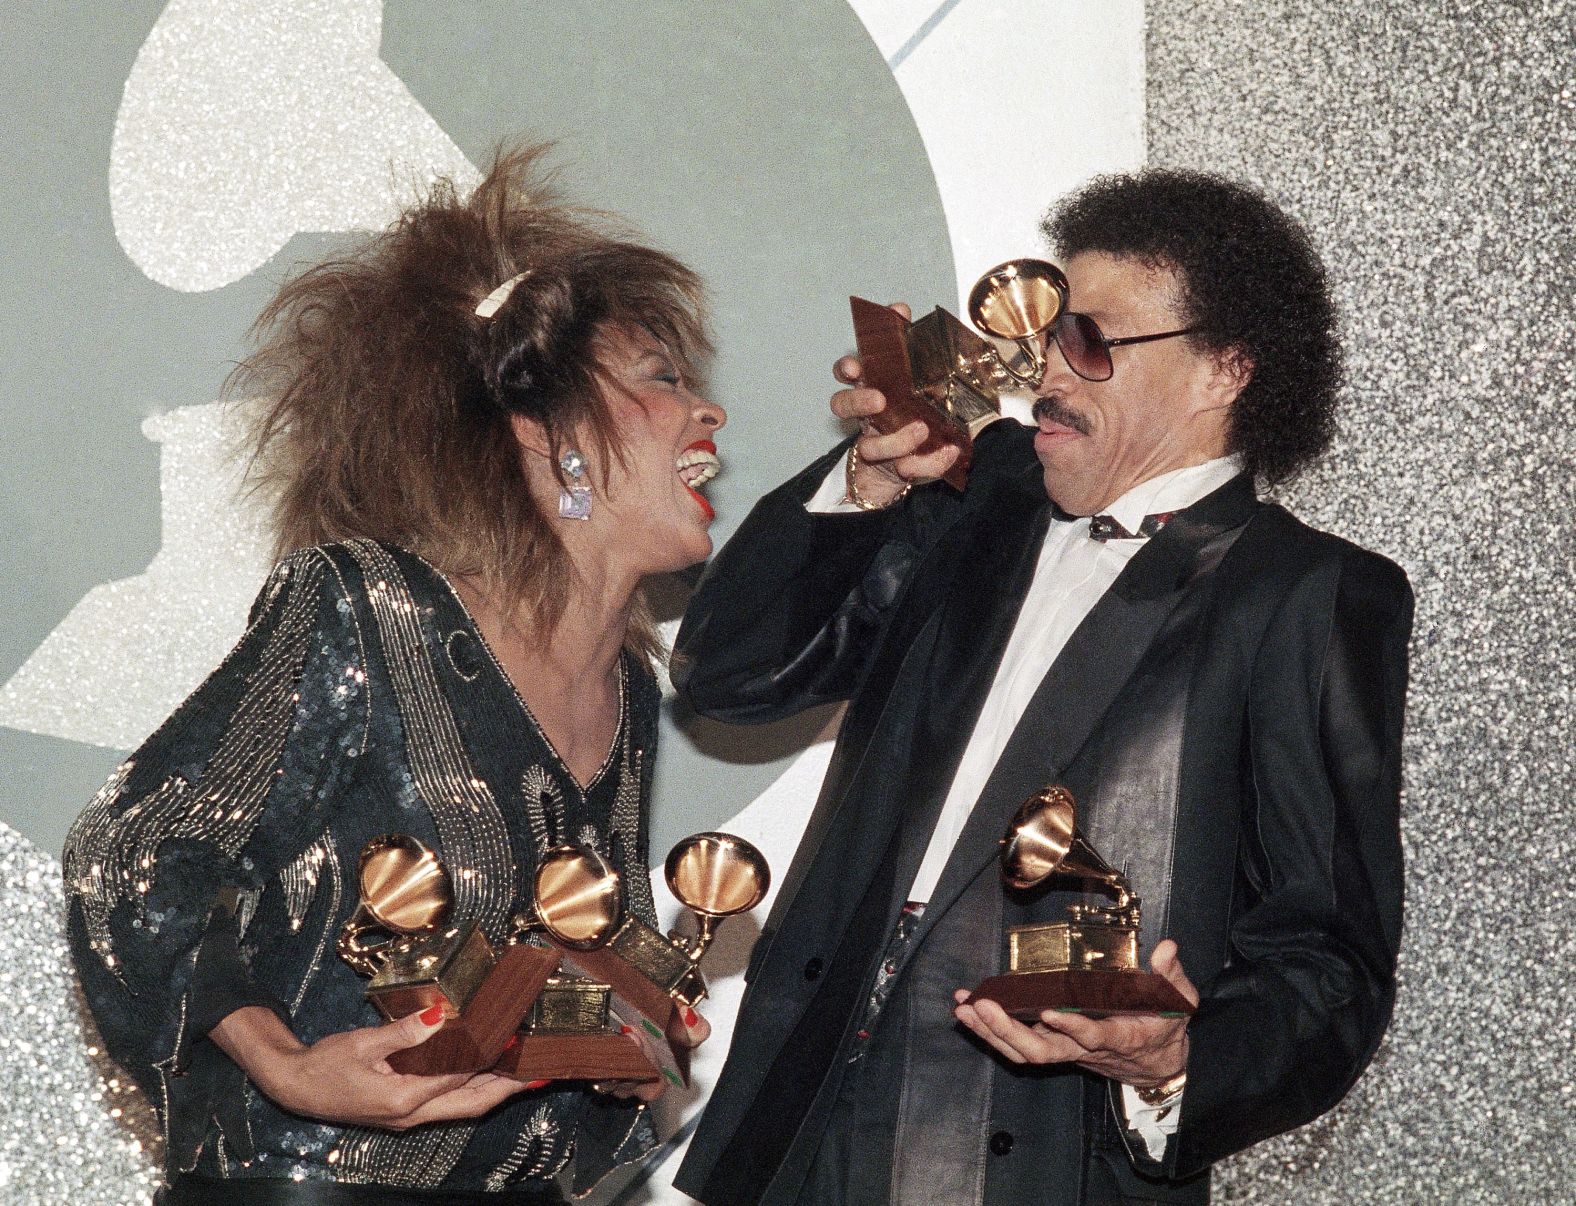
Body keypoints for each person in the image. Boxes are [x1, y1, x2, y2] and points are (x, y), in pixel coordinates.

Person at [670, 169, 1411, 1205]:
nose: (1049, 374)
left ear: (1221, 372)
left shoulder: (1305, 593)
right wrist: (867, 481)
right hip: (794, 1129)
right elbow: (732, 675)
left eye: (1093, 342)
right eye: (1051, 334)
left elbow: (1327, 959)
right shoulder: (978, 492)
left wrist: (1171, 1060)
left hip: (1043, 1158)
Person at [63, 144, 722, 1203]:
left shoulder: (630, 690)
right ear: (550, 436)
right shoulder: (366, 609)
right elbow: (136, 850)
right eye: (662, 379)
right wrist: (282, 1063)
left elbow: (546, 972)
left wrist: (633, 1026)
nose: (708, 416)